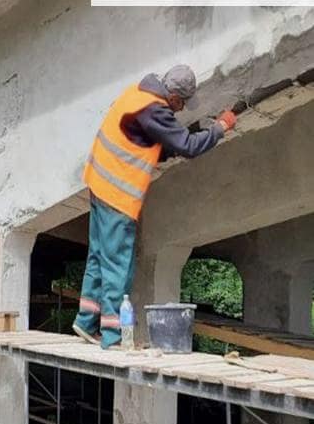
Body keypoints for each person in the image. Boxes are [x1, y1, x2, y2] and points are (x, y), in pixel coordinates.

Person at [72, 65, 237, 349]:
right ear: (173, 97)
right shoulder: (156, 110)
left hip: (98, 180)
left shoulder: (138, 92)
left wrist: (174, 140)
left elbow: (148, 140)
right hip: (117, 193)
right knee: (118, 264)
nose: (182, 109)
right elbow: (188, 146)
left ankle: (85, 322)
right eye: (182, 103)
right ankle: (112, 336)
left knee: (99, 255)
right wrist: (220, 128)